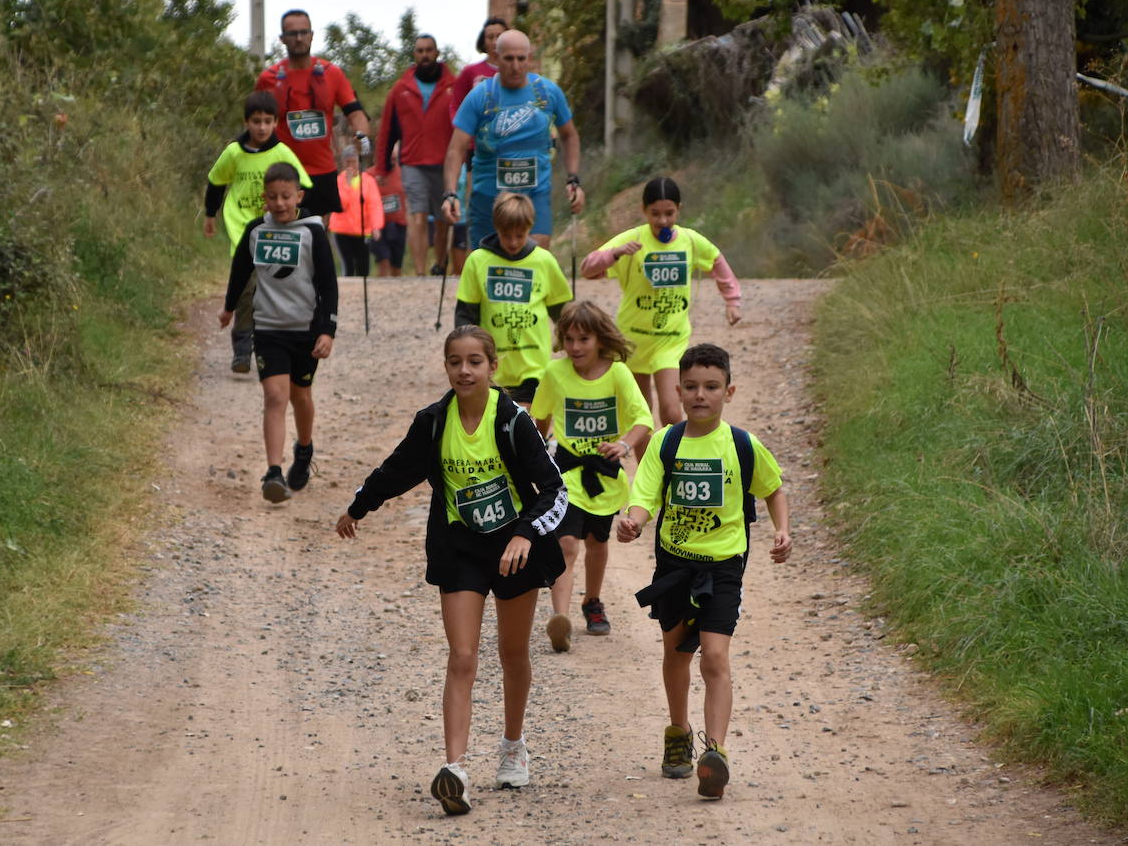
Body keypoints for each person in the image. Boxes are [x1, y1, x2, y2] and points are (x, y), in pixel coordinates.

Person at [335, 325, 567, 816]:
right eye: (455, 362)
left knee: (512, 652)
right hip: (459, 547)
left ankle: (512, 746)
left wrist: (525, 533)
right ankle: (455, 770)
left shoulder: (512, 421)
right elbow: (398, 468)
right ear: (446, 367)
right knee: (462, 656)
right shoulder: (434, 422)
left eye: (474, 362)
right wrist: (359, 507)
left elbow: (554, 489)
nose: (464, 370)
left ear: (492, 367)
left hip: (514, 550)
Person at [615, 343, 791, 799]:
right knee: (677, 653)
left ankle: (715, 754)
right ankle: (678, 734)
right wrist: (634, 520)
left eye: (711, 387)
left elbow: (772, 488)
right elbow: (646, 493)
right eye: (691, 387)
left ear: (728, 391)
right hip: (675, 563)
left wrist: (782, 531)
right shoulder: (665, 442)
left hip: (725, 565)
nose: (700, 395)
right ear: (678, 390)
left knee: (715, 656)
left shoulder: (741, 444)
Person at [580, 176, 742, 459]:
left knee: (670, 408)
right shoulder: (633, 239)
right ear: (644, 211)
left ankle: (672, 463)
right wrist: (616, 253)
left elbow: (717, 261)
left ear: (679, 210)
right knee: (639, 416)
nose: (663, 220)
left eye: (669, 213)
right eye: (655, 214)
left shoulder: (690, 241)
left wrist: (732, 300)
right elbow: (588, 268)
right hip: (632, 342)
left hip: (671, 340)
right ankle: (648, 477)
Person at [531, 300, 653, 651]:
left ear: (599, 339)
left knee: (598, 544)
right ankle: (561, 619)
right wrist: (535, 460)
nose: (574, 347)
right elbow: (540, 422)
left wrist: (625, 445)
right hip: (567, 472)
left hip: (604, 476)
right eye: (568, 339)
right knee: (567, 544)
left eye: (583, 339)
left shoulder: (618, 373)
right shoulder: (555, 374)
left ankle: (593, 602)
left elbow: (643, 419)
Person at [220, 163, 337, 503]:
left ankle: (303, 449)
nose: (280, 203)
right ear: (264, 199)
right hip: (269, 328)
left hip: (305, 330)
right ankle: (273, 472)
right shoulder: (256, 231)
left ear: (299, 196)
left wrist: (327, 330)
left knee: (300, 396)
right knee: (275, 396)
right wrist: (229, 308)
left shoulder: (313, 233)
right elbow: (240, 270)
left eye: (286, 196)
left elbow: (328, 285)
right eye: (273, 197)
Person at [441, 29, 585, 251]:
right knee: (484, 262)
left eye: (521, 58)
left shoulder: (547, 92)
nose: (515, 66)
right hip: (489, 196)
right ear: (497, 58)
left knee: (536, 256)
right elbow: (455, 149)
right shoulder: (481, 96)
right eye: (508, 58)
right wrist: (451, 193)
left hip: (535, 192)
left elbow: (569, 135)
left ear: (530, 58)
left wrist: (573, 178)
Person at [204, 90, 313, 373]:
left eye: (267, 121)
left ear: (276, 122)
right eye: (256, 121)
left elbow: (304, 189)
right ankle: (242, 347)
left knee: (275, 287)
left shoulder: (282, 153)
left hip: (276, 230)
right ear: (246, 122)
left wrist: (303, 221)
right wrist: (209, 216)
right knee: (246, 288)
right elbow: (216, 182)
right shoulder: (234, 153)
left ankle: (275, 343)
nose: (262, 127)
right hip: (242, 228)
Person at [455, 192, 572, 406]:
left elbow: (562, 312)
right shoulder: (477, 261)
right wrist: (466, 359)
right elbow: (465, 316)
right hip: (491, 369)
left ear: (530, 227)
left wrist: (572, 342)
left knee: (529, 432)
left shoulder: (544, 261)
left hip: (535, 367)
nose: (513, 242)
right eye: (506, 235)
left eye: (520, 235)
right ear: (496, 227)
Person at [257, 9, 373, 217]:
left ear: (312, 35)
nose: (299, 38)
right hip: (283, 171)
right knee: (287, 234)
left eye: (304, 32)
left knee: (318, 234)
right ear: (283, 39)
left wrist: (361, 136)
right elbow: (255, 122)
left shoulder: (332, 74)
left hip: (322, 171)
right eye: (293, 34)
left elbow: (355, 113)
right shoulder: (269, 78)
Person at [376, 34, 457, 276]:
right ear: (414, 54)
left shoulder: (453, 86)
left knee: (443, 218)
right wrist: (381, 167)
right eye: (420, 50)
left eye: (429, 50)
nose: (425, 55)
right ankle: (421, 272)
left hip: (444, 162)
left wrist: (465, 157)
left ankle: (440, 265)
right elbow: (387, 131)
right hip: (412, 162)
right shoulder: (400, 89)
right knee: (417, 215)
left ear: (437, 53)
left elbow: (463, 127)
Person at [327, 145, 383, 278]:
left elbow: (375, 204)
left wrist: (376, 226)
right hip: (342, 231)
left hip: (362, 230)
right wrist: (347, 185)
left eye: (354, 161)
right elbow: (341, 205)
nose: (351, 165)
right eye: (348, 162)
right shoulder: (338, 181)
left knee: (363, 267)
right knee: (348, 266)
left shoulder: (368, 181)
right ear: (343, 163)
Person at [449, 17, 508, 119]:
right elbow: (456, 106)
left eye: (499, 36)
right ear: (483, 42)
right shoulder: (470, 71)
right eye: (490, 37)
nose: (495, 42)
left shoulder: (516, 72)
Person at [372, 153, 408, 277]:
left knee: (397, 265)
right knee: (384, 260)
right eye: (389, 159)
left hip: (399, 224)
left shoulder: (403, 173)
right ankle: (381, 292)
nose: (392, 162)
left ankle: (396, 292)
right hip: (378, 226)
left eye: (394, 159)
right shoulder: (370, 174)